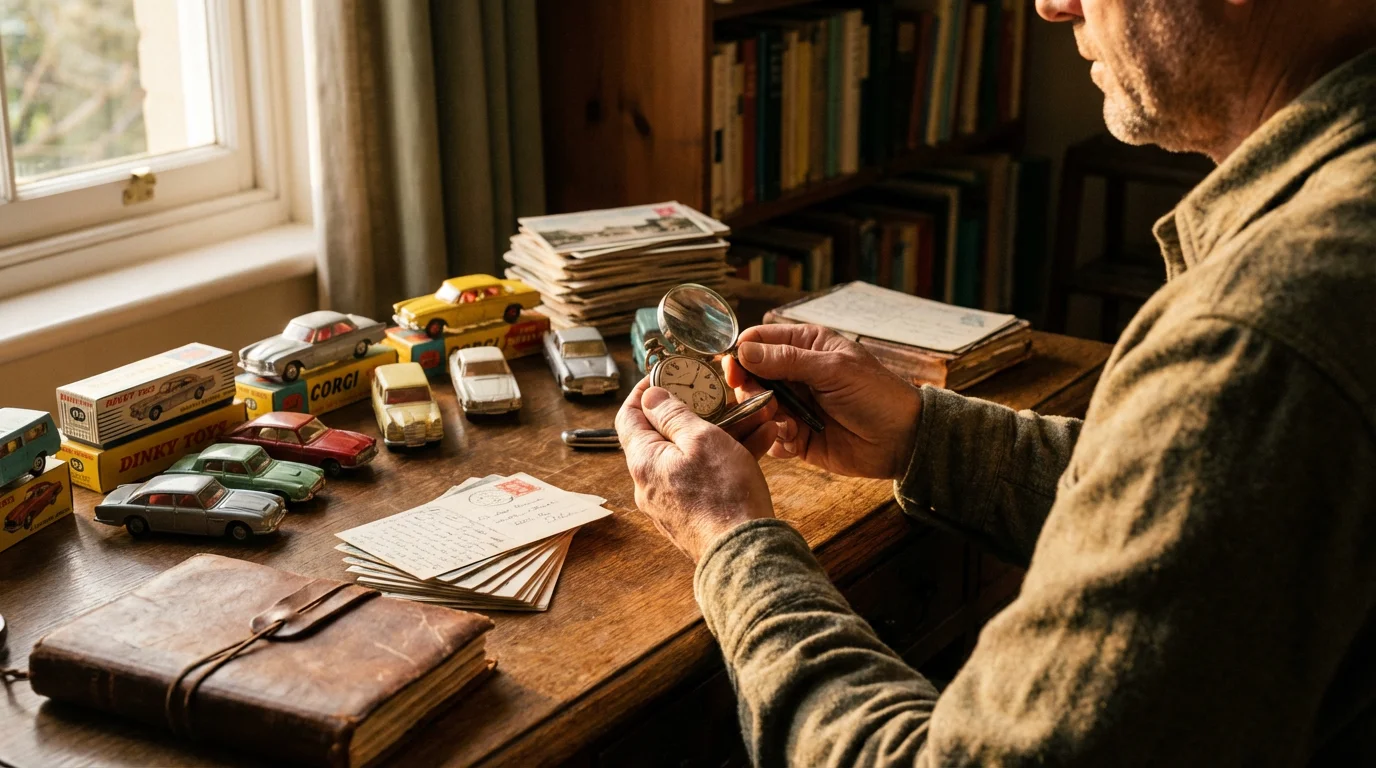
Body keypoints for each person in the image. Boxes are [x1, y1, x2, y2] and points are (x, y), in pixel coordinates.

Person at [615, 0, 1376, 765]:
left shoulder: (1257, 336)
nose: (1052, 4)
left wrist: (734, 542)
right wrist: (925, 435)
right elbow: (1215, 506)